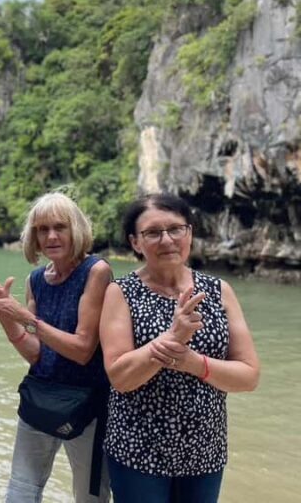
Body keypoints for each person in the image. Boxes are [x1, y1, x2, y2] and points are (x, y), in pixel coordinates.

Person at [99, 193, 260, 503]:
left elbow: (249, 375)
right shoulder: (120, 293)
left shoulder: (219, 291)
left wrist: (194, 362)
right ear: (135, 242)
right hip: (138, 449)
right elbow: (120, 377)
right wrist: (172, 339)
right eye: (153, 233)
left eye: (176, 229)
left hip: (204, 450)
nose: (167, 239)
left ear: (190, 233)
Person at [0, 192, 112, 503]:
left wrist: (23, 317)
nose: (51, 236)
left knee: (91, 496)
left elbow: (82, 350)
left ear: (75, 229)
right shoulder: (36, 279)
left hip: (87, 404)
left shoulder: (96, 271)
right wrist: (4, 316)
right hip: (41, 397)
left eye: (60, 227)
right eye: (42, 229)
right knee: (21, 491)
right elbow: (36, 353)